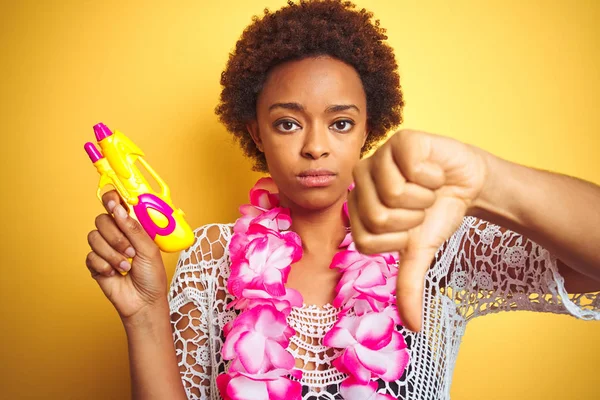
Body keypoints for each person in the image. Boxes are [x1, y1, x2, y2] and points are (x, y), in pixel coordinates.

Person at [85, 1, 600, 399]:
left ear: (367, 132)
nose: (314, 145)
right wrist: (145, 314)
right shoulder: (212, 260)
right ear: (256, 133)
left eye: (340, 123)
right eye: (288, 123)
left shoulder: (430, 241)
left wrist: (490, 181)